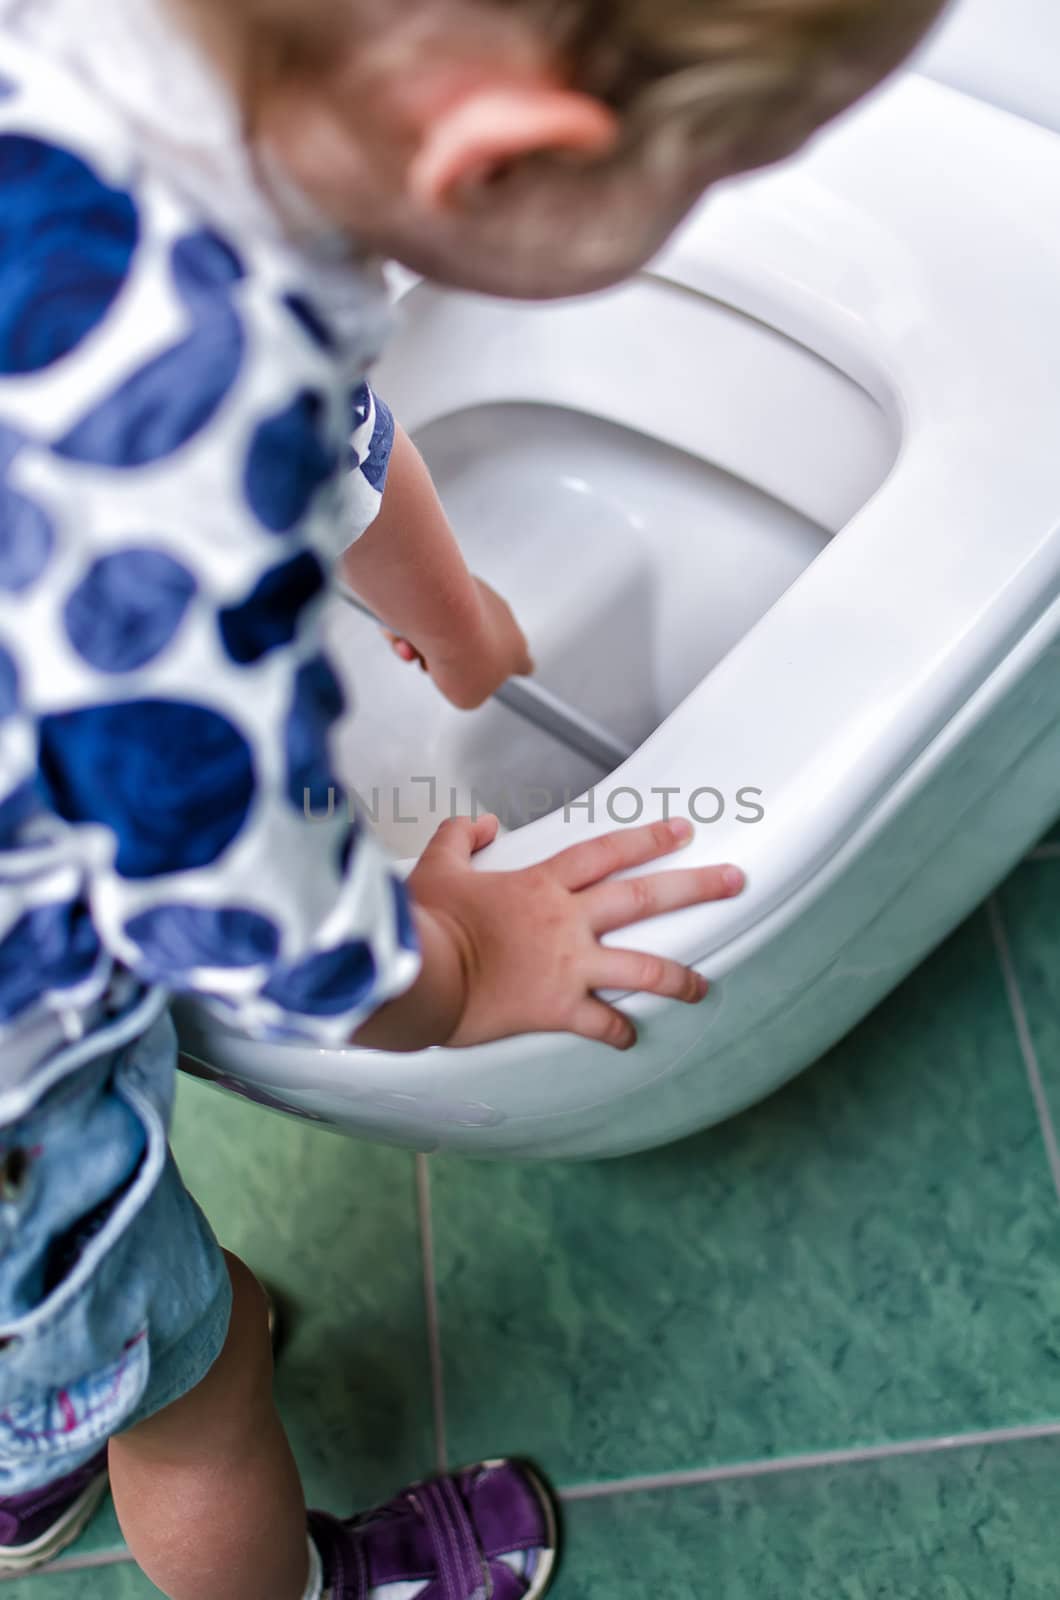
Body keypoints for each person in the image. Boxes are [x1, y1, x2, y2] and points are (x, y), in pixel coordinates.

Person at [0, 0, 947, 1594]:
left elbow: (318, 413)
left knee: (69, 1359)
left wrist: (450, 611)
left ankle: (32, 1438)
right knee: (204, 1387)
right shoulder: (178, 463)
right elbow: (249, 923)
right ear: (515, 158)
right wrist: (457, 968)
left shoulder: (124, 80)